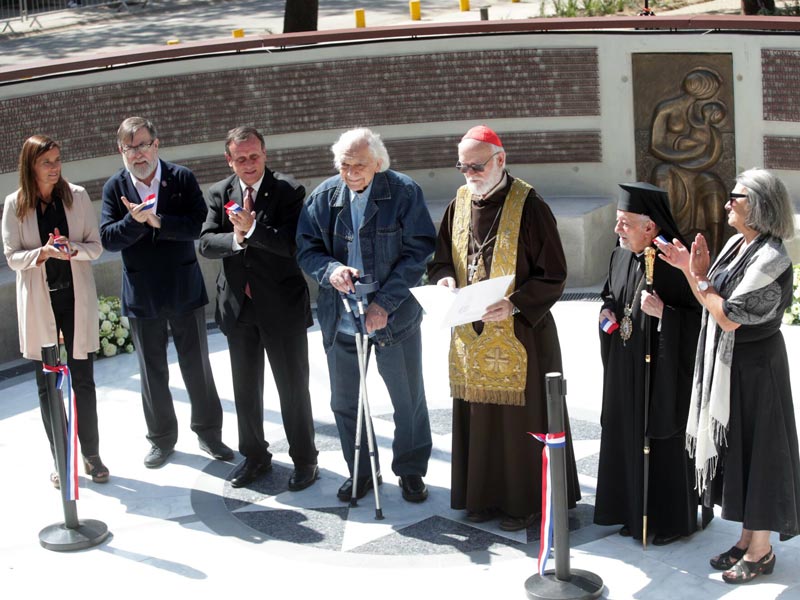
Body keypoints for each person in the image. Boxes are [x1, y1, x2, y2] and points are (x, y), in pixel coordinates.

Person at [427, 125, 580, 531]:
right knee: (479, 418)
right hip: (471, 332)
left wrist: (513, 304)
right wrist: (443, 278)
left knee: (519, 424)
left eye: (476, 166)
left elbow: (554, 275)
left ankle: (524, 503)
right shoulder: (459, 203)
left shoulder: (530, 206)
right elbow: (441, 258)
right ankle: (481, 498)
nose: (470, 174)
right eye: (463, 167)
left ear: (501, 160)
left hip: (521, 335)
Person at [657, 168, 800, 583]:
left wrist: (694, 273)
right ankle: (745, 539)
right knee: (740, 451)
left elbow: (728, 316)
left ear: (757, 204)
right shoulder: (739, 243)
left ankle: (762, 550)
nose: (726, 204)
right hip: (733, 368)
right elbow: (709, 294)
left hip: (758, 370)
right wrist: (692, 268)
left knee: (760, 454)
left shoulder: (772, 256)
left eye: (734, 197)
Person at [296, 128, 434, 503]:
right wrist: (330, 271)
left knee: (407, 399)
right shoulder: (323, 197)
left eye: (359, 164)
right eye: (344, 164)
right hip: (341, 315)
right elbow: (307, 249)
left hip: (394, 316)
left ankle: (410, 470)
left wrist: (383, 304)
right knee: (344, 402)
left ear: (378, 163)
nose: (351, 172)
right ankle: (361, 472)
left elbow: (418, 251)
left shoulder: (403, 192)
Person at [100, 116, 233, 468]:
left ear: (156, 145)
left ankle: (209, 433)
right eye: (130, 147)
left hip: (183, 287)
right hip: (142, 294)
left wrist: (159, 221)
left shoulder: (181, 178)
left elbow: (197, 223)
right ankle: (161, 439)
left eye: (144, 145)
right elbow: (108, 239)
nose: (138, 154)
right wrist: (134, 221)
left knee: (196, 365)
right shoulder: (115, 187)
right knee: (152, 370)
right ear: (121, 150)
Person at [199, 126, 318, 490]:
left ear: (265, 154)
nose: (248, 164)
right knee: (246, 389)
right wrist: (235, 239)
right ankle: (254, 456)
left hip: (281, 306)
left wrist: (253, 231)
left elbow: (294, 245)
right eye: (240, 158)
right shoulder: (220, 193)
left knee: (293, 388)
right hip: (239, 308)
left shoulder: (288, 191)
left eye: (254, 156)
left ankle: (305, 460)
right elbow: (205, 243)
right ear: (229, 159)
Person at [593, 182, 701, 545]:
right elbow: (610, 293)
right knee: (627, 431)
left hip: (665, 373)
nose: (616, 229)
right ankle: (632, 508)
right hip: (627, 365)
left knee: (663, 438)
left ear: (650, 227)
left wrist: (666, 314)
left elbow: (702, 317)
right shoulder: (620, 254)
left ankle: (671, 520)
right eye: (618, 221)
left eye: (624, 223)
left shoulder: (675, 261)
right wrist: (606, 311)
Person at [2, 135, 108, 487]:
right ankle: (61, 460)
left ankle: (91, 456)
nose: (55, 168)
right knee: (48, 386)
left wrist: (70, 249)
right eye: (47, 162)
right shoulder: (15, 204)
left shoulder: (75, 197)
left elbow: (95, 248)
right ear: (30, 166)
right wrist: (43, 254)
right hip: (39, 304)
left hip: (75, 300)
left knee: (84, 381)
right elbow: (13, 257)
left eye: (58, 160)